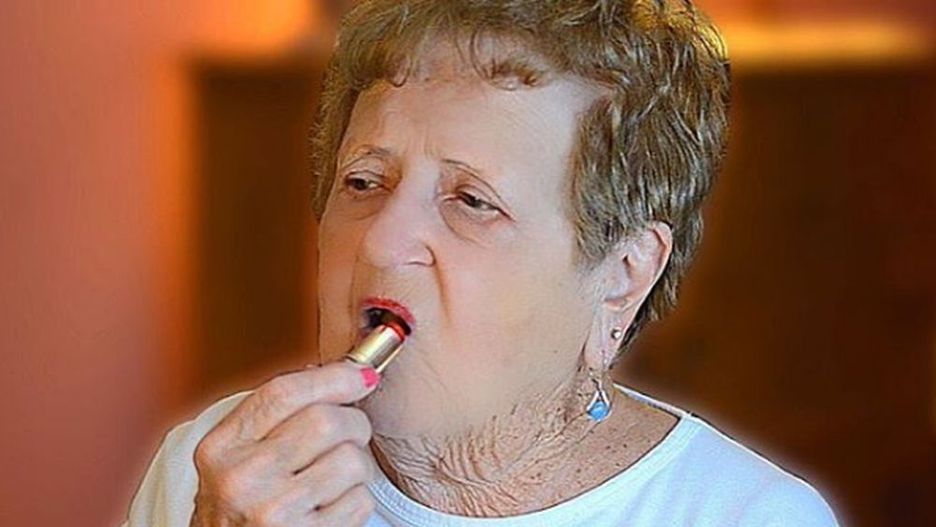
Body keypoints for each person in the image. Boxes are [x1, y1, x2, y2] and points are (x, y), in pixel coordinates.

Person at [124, 1, 841, 525]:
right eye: (363, 182)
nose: (381, 242)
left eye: (471, 201)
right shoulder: (220, 472)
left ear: (622, 274)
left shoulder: (746, 516)